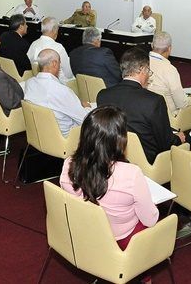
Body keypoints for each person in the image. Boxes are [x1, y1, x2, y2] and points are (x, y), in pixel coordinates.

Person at [60, 105, 159, 251]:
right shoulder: (131, 174)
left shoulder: (69, 164)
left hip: (85, 234)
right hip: (124, 241)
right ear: (119, 140)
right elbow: (150, 220)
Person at [97, 47, 185, 164]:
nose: (149, 75)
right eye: (148, 71)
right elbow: (166, 144)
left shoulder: (103, 95)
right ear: (142, 69)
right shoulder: (154, 101)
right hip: (148, 162)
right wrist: (179, 138)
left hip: (113, 156)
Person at [24, 49, 91, 136]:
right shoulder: (62, 91)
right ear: (55, 63)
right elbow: (85, 120)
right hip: (66, 138)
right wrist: (87, 108)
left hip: (39, 134)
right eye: (60, 63)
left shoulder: (29, 83)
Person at [147, 32, 191, 116]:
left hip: (146, 110)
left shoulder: (140, 62)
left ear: (152, 45)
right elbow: (182, 104)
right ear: (169, 49)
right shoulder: (170, 70)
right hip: (167, 115)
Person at [27, 17, 73, 83]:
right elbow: (68, 74)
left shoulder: (34, 44)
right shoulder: (58, 47)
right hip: (58, 84)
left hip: (37, 81)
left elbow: (29, 63)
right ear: (54, 30)